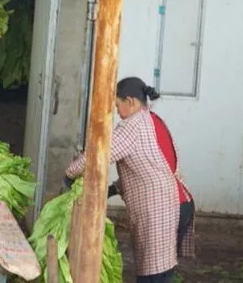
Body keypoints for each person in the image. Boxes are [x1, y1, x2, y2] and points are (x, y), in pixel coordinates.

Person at [64, 77, 195, 283]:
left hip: (161, 209)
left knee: (152, 276)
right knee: (163, 272)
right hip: (180, 203)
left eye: (118, 105)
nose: (117, 111)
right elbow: (147, 168)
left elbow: (99, 155)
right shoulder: (153, 119)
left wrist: (70, 173)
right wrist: (112, 190)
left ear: (131, 102)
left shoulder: (132, 127)